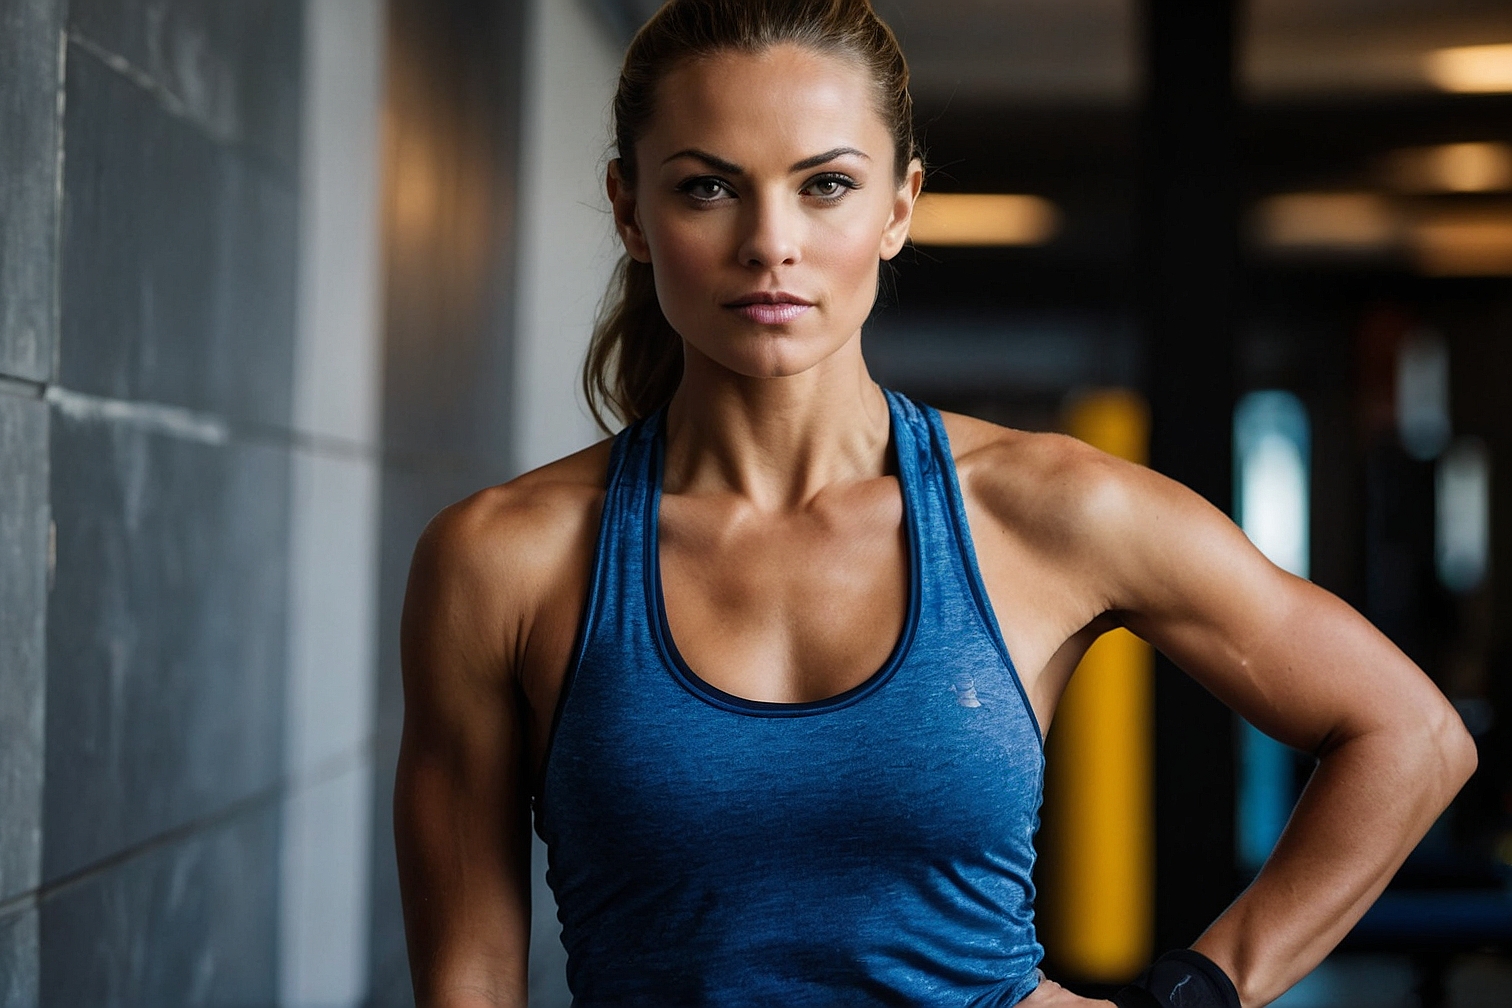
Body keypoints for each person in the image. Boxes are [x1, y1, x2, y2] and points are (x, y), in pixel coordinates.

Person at [393, 1, 1476, 1004]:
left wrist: (1197, 991)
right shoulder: (505, 561)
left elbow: (1411, 735)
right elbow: (470, 973)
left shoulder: (1042, 510)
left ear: (899, 207)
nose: (770, 241)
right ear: (631, 210)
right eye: (707, 187)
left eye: (825, 185)